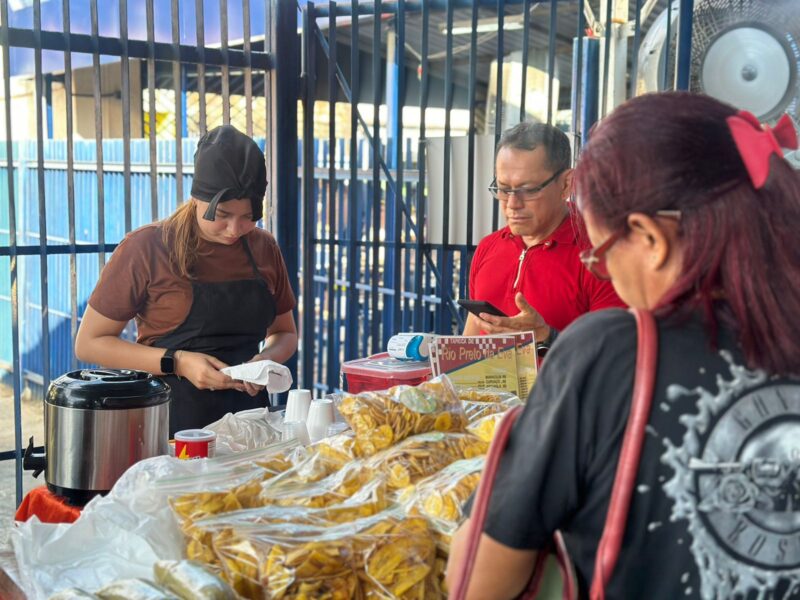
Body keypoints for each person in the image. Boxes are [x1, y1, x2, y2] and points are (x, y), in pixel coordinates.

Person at [447, 92, 800, 598]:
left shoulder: (613, 354)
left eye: (603, 254)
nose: (602, 269)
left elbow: (475, 580)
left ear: (652, 240)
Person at [75, 125, 298, 435]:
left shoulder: (264, 247)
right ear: (197, 198)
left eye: (248, 216)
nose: (235, 229)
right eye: (222, 214)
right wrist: (177, 362)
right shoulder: (145, 247)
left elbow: (285, 333)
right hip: (169, 426)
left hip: (251, 424)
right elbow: (89, 343)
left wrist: (263, 362)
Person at [463, 121, 623, 348]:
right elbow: (473, 333)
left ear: (566, 184)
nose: (512, 204)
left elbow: (614, 356)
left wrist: (546, 336)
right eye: (503, 188)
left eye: (528, 190)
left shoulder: (601, 255)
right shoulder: (488, 247)